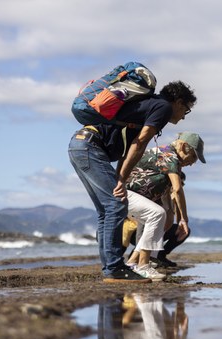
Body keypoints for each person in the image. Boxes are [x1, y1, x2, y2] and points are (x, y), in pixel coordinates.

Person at [68, 79, 196, 283]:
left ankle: (112, 268)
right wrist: (120, 179)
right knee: (115, 204)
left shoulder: (148, 107)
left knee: (107, 209)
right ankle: (114, 269)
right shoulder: (162, 107)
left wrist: (121, 178)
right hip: (90, 147)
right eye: (186, 110)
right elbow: (140, 142)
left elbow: (128, 151)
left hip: (81, 145)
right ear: (178, 102)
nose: (182, 118)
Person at [125, 132, 206, 280]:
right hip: (125, 194)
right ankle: (142, 265)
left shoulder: (171, 157)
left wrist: (174, 216)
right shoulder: (169, 155)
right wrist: (183, 220)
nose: (193, 162)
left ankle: (132, 262)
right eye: (193, 156)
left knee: (164, 217)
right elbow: (177, 189)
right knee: (157, 214)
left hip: (138, 197)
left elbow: (169, 192)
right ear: (183, 146)